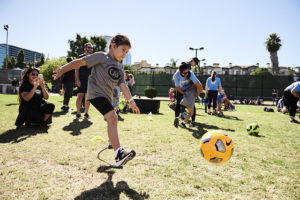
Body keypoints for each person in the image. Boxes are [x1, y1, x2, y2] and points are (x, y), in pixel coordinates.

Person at [53, 34, 140, 167]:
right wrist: (62, 70)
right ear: (114, 46)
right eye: (123, 50)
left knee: (112, 119)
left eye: (127, 52)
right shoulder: (101, 56)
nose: (124, 54)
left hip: (107, 97)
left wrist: (132, 102)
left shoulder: (120, 68)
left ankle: (117, 152)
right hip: (95, 93)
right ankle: (119, 154)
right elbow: (79, 62)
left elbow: (123, 86)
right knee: (113, 117)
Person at [173, 62, 203, 128]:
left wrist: (197, 95)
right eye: (184, 73)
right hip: (180, 90)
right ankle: (176, 119)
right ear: (180, 72)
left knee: (192, 105)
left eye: (187, 72)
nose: (186, 74)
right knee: (178, 104)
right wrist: (184, 94)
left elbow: (199, 85)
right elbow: (177, 87)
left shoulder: (191, 73)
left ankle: (193, 122)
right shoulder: (176, 75)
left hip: (189, 90)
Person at [75, 42, 93, 119]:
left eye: (91, 48)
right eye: (89, 47)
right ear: (85, 48)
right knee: (80, 96)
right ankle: (78, 113)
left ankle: (86, 113)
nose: (90, 49)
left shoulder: (93, 57)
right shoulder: (80, 57)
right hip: (81, 79)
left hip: (90, 80)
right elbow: (76, 69)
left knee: (88, 97)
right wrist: (77, 80)